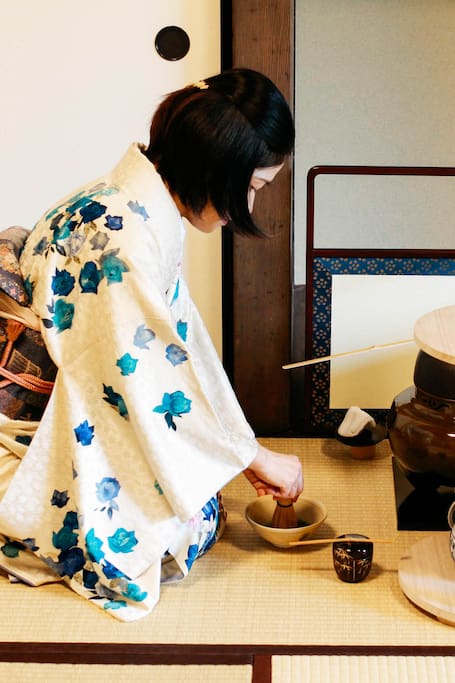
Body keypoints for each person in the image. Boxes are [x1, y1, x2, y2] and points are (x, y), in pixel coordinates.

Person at [0, 68, 303, 621]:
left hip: (76, 395)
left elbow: (178, 349)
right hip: (33, 427)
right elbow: (138, 385)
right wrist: (249, 455)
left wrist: (240, 450)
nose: (250, 206)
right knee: (176, 533)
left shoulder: (124, 203)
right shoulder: (123, 241)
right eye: (254, 187)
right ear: (215, 167)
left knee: (198, 494)